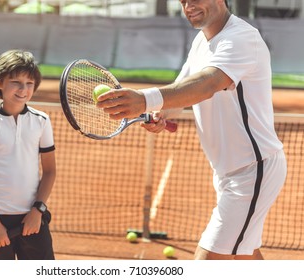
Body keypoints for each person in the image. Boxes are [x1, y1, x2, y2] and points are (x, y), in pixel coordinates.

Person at [97, 0, 287, 260]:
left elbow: (207, 83)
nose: (188, 5)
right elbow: (183, 88)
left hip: (253, 169)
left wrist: (144, 99)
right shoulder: (202, 41)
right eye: (183, 0)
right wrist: (160, 114)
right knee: (245, 256)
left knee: (206, 260)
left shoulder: (241, 38)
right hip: (228, 170)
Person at [0, 49, 56, 259]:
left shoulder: (42, 121)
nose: (23, 89)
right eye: (16, 82)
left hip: (33, 218)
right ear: (0, 82)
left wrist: (37, 211)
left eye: (29, 83)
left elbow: (50, 171)